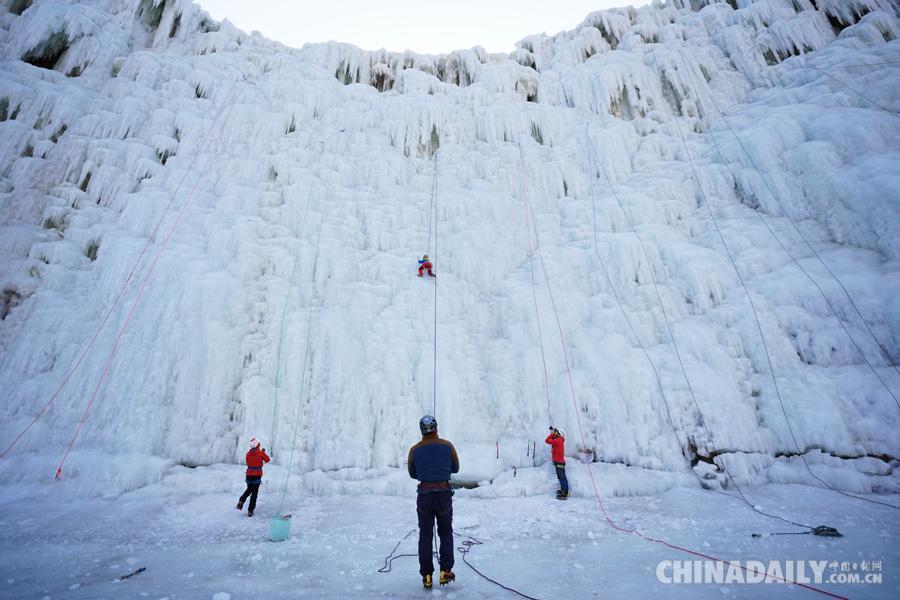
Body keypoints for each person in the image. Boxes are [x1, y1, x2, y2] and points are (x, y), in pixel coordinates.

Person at [407, 415, 459, 589]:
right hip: (444, 494)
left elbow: (413, 474)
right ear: (436, 428)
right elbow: (456, 468)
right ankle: (445, 571)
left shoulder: (414, 450)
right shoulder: (447, 445)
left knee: (426, 535)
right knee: (445, 532)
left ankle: (427, 575)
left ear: (421, 430)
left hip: (425, 495)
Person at [236, 437, 270, 517]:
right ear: (256, 445)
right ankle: (250, 510)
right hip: (257, 475)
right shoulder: (260, 453)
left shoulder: (248, 454)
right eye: (258, 444)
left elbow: (251, 461)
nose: (259, 445)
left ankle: (241, 500)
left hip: (249, 475)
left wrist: (261, 453)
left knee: (249, 489)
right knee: (254, 493)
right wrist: (263, 453)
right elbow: (267, 459)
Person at [546, 426, 568, 500]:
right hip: (558, 462)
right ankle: (563, 490)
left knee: (562, 478)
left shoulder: (558, 440)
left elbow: (547, 440)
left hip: (559, 462)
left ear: (559, 434)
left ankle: (565, 493)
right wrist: (553, 432)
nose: (555, 432)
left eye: (556, 432)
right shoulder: (559, 440)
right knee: (560, 477)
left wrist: (552, 434)